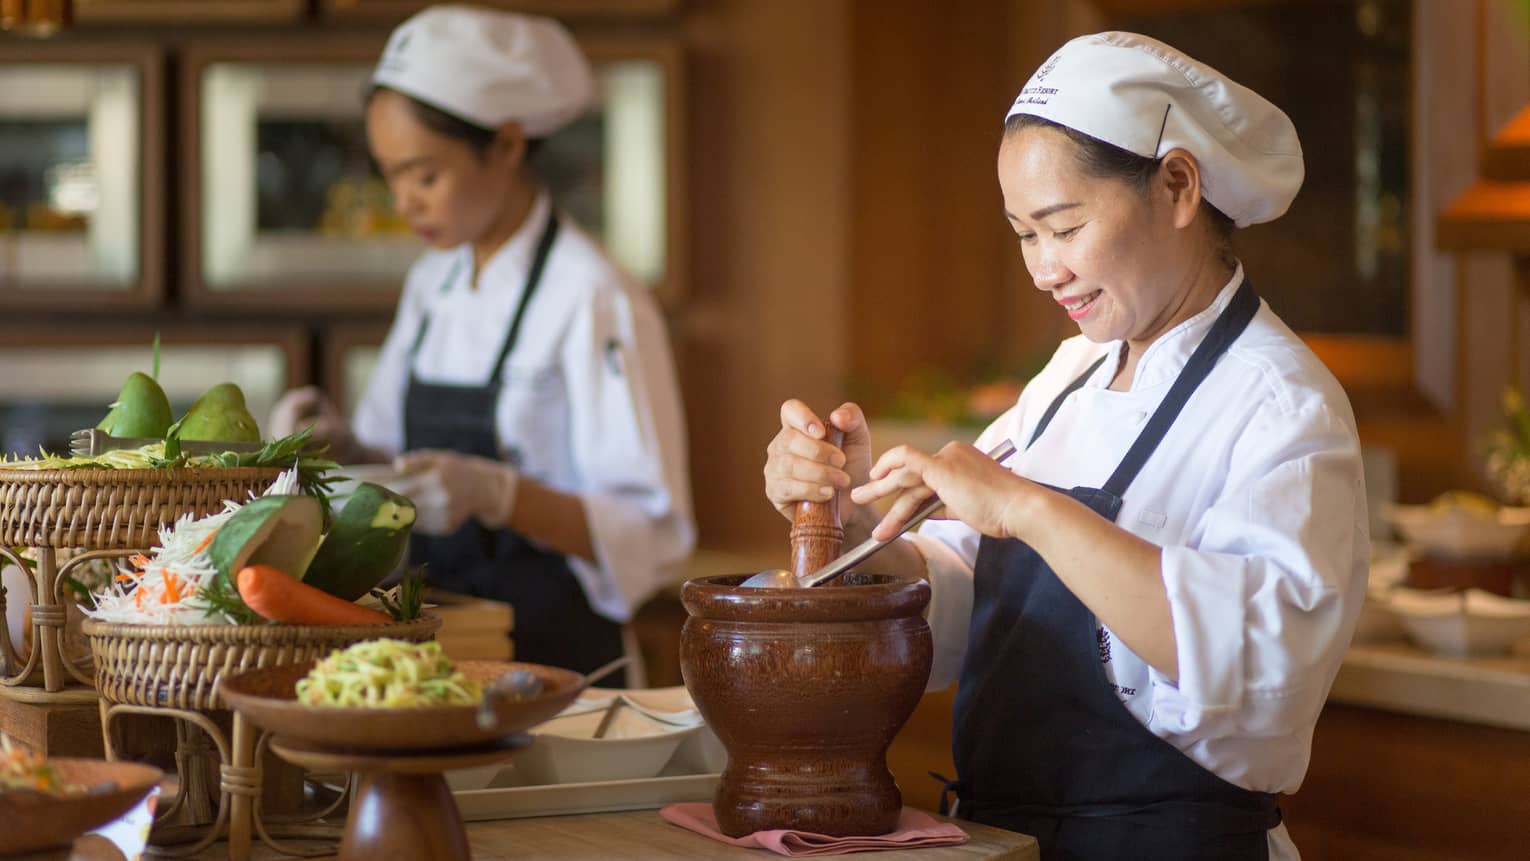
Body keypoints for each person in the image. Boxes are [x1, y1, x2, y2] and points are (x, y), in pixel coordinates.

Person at [763, 31, 1366, 860]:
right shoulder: (1072, 374)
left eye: (1063, 226)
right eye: (1023, 235)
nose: (1044, 270)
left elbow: (1259, 664)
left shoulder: (1281, 404)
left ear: (1178, 185)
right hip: (1012, 840)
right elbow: (963, 601)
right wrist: (855, 522)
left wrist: (1025, 506)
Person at [270, 5, 694, 687]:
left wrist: (498, 493)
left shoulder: (592, 295)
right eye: (391, 174)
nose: (404, 202)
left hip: (560, 660)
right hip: (440, 649)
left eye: (425, 175)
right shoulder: (433, 281)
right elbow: (399, 458)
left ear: (505, 144)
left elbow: (651, 533)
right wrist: (345, 447)